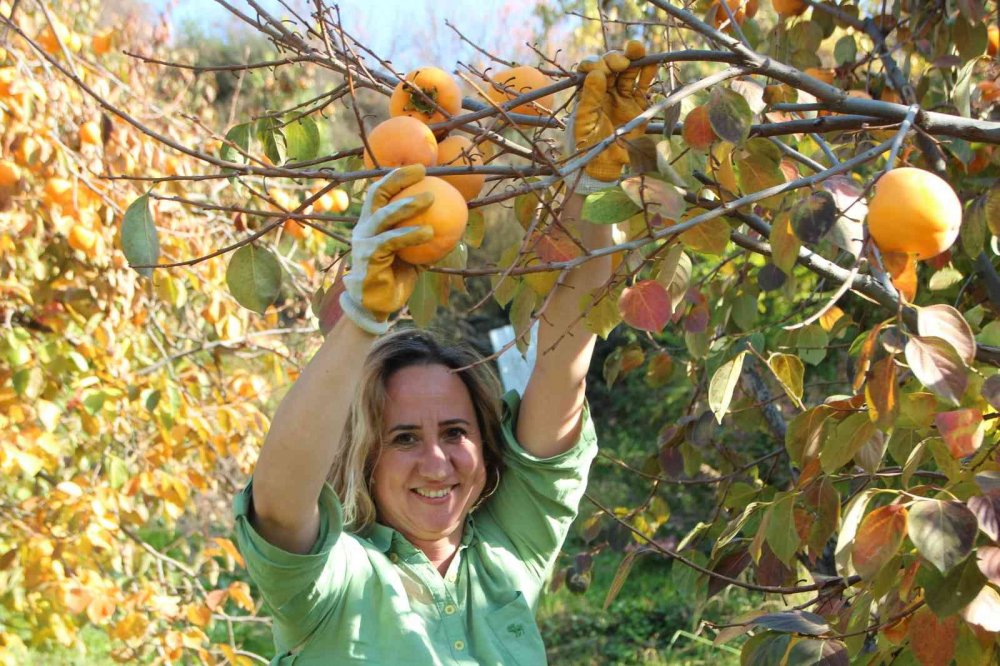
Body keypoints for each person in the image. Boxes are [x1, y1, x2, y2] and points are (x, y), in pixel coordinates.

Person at [233, 41, 656, 665]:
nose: (437, 461)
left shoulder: (508, 555)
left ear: (485, 447)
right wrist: (360, 320)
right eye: (403, 437)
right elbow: (279, 499)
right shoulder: (334, 586)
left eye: (455, 431)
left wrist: (593, 172)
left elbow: (568, 349)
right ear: (366, 457)